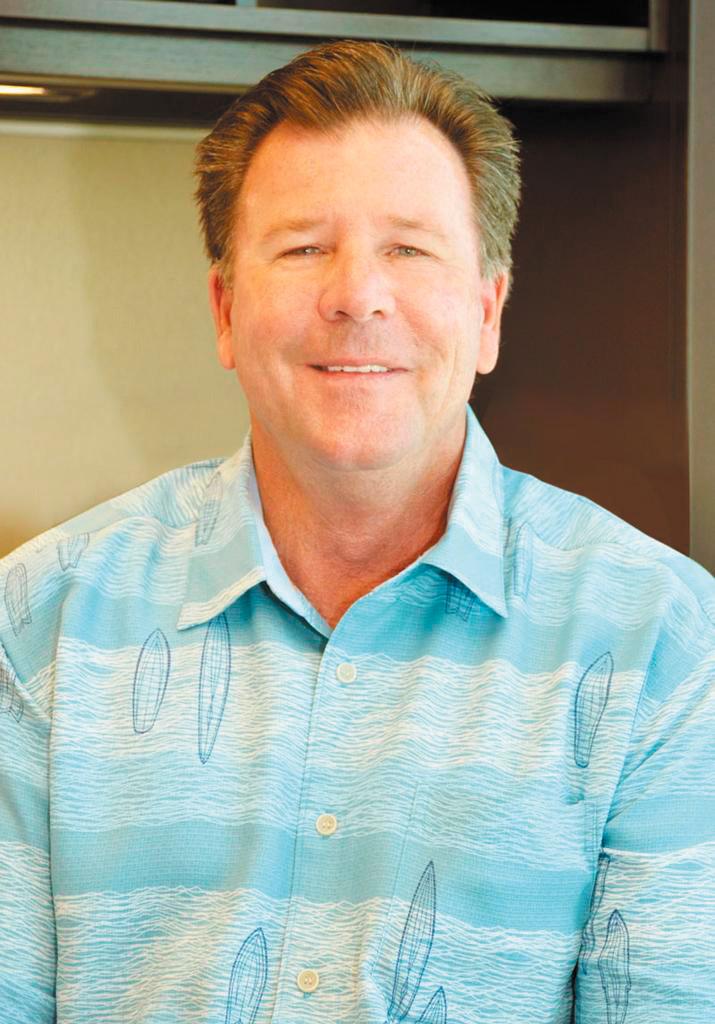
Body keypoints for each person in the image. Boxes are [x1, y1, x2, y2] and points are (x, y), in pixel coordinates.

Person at [0, 38, 713, 1024]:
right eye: (303, 248)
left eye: (408, 249)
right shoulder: (37, 620)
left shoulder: (662, 641)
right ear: (224, 309)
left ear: (488, 311)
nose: (356, 296)